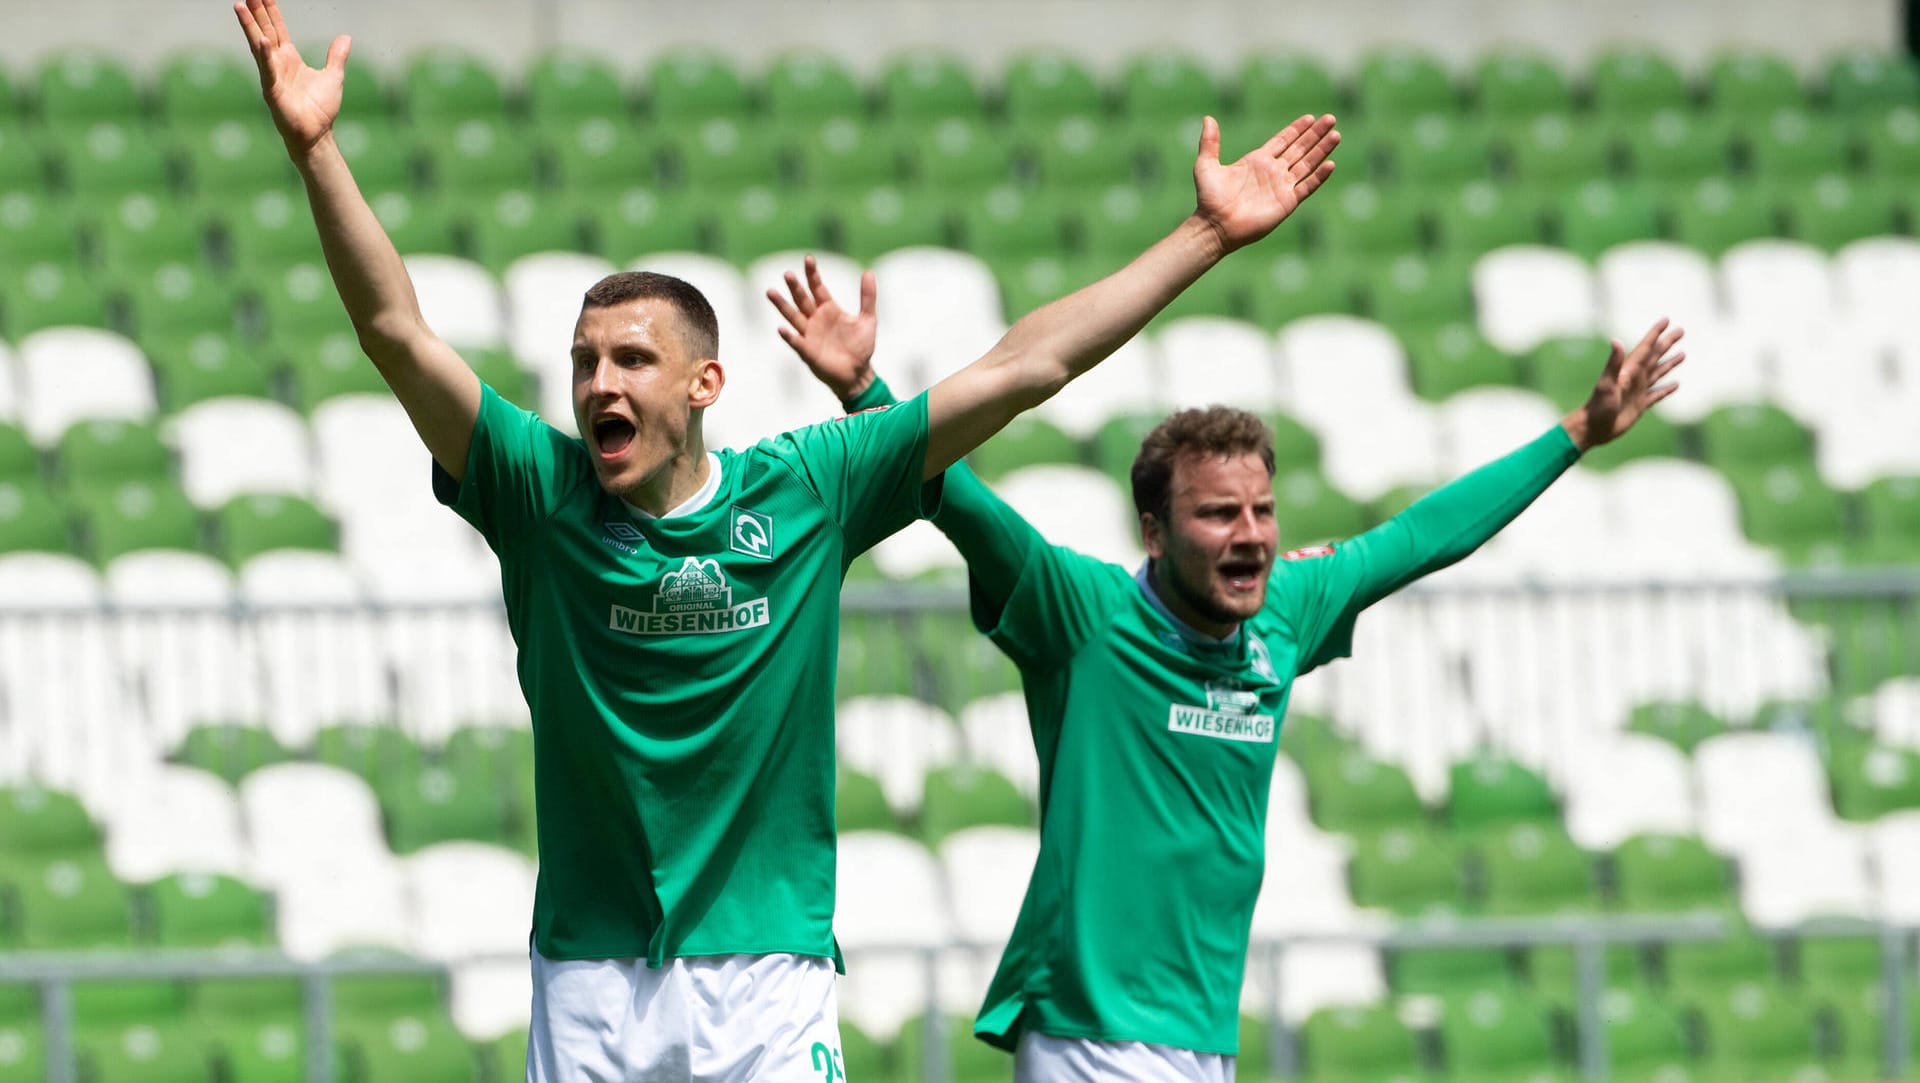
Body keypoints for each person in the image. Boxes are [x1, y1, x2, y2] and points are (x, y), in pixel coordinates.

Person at [232, 0, 1339, 1077]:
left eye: (630, 359)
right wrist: (317, 152)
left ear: (705, 383)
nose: (597, 383)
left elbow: (1023, 368)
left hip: (765, 974)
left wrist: (1204, 234)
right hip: (587, 978)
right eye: (583, 362)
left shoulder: (811, 485)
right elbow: (394, 333)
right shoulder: (536, 487)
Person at [770, 260, 1685, 1082]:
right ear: (1155, 532)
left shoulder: (1286, 608)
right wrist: (864, 387)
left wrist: (1578, 430)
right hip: (1089, 1033)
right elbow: (955, 496)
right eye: (1216, 514)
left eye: (1261, 509)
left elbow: (1422, 535)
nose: (1249, 533)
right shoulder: (1083, 613)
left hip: (1204, 1036)